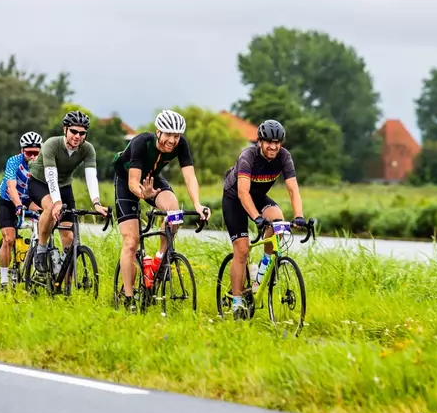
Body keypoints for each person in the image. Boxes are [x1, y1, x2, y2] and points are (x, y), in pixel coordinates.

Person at [111, 109, 210, 310]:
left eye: (176, 136)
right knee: (131, 242)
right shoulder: (141, 142)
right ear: (158, 132)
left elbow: (190, 177)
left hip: (152, 178)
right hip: (127, 181)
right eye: (168, 135)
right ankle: (129, 298)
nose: (172, 141)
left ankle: (158, 260)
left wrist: (198, 205)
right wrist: (142, 194)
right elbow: (132, 183)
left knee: (174, 213)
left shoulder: (181, 145)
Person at [221, 119, 305, 319]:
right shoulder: (247, 157)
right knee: (241, 250)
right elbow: (243, 193)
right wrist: (257, 218)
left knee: (277, 220)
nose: (273, 146)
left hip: (258, 197)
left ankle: (262, 270)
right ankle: (237, 303)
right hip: (235, 199)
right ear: (259, 141)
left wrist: (299, 216)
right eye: (268, 142)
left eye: (277, 142)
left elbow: (293, 189)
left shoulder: (284, 157)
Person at [26, 110, 109, 273]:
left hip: (64, 186)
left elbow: (91, 176)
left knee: (69, 237)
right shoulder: (52, 144)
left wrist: (96, 203)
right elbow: (51, 175)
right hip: (40, 182)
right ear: (65, 129)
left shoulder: (87, 149)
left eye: (82, 133)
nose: (78, 136)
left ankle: (63, 278)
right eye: (74, 131)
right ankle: (41, 249)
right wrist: (56, 203)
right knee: (50, 208)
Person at [0, 131, 44, 287]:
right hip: (9, 199)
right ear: (22, 151)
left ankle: (35, 263)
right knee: (9, 239)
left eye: (36, 153)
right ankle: (3, 279)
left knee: (43, 217)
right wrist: (17, 205)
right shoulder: (14, 161)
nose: (32, 157)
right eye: (29, 152)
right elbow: (11, 186)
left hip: (28, 198)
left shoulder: (43, 163)